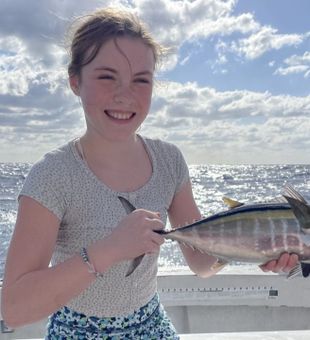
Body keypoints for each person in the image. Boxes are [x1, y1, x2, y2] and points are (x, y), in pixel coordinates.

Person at [1, 7, 299, 339]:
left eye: (141, 80)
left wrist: (252, 246)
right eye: (106, 76)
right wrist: (111, 248)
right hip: (77, 330)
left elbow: (201, 264)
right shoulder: (52, 176)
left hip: (151, 324)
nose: (125, 93)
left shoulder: (168, 160)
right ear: (75, 81)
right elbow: (15, 308)